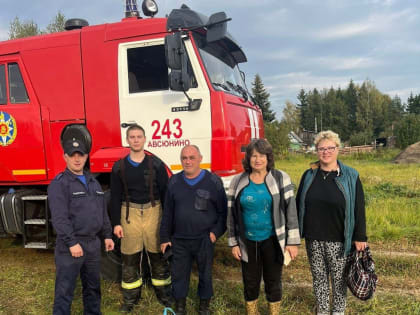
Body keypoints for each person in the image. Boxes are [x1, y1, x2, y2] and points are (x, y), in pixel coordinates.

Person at [296, 130, 367, 315]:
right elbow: (298, 205)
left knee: (339, 279)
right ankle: (322, 310)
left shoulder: (350, 175)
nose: (325, 152)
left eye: (330, 148)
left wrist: (360, 236)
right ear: (316, 151)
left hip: (339, 238)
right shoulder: (309, 175)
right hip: (314, 238)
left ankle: (338, 311)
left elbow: (359, 208)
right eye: (321, 148)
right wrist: (294, 235)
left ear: (338, 149)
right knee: (319, 278)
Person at [227, 139, 300, 315]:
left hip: (273, 240)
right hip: (247, 241)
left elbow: (291, 211)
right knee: (250, 281)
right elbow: (231, 214)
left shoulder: (281, 178)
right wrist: (234, 243)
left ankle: (273, 311)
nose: (257, 160)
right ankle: (252, 311)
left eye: (261, 156)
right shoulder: (238, 181)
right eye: (253, 156)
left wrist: (293, 242)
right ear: (248, 159)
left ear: (268, 158)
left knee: (273, 280)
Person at [48, 138, 114, 315]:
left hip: (92, 244)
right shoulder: (59, 184)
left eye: (81, 155)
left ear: (86, 157)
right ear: (65, 157)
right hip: (71, 245)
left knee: (93, 288)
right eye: (72, 155)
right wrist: (71, 243)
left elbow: (102, 212)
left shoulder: (94, 182)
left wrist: (107, 235)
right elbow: (59, 218)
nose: (77, 159)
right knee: (65, 290)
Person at [110, 124, 172, 313]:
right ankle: (130, 298)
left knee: (158, 255)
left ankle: (164, 295)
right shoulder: (119, 167)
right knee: (129, 257)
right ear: (127, 140)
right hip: (129, 214)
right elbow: (114, 197)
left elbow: (167, 195)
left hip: (154, 211)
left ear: (145, 139)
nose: (136, 140)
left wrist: (167, 226)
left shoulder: (157, 165)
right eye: (132, 137)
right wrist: (116, 223)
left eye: (139, 136)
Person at [160, 145, 227, 315]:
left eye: (191, 157)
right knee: (179, 275)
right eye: (184, 158)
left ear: (200, 159)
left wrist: (215, 233)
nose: (188, 161)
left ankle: (204, 307)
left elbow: (223, 213)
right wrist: (164, 237)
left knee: (205, 274)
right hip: (179, 239)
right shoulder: (174, 181)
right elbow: (167, 212)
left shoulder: (213, 182)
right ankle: (180, 307)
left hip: (204, 238)